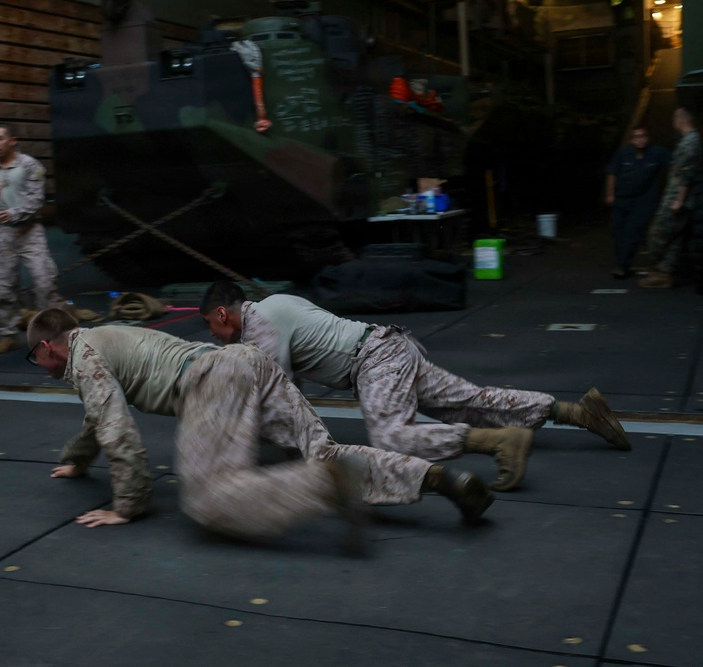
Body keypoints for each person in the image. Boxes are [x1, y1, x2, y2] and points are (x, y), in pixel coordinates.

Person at [26, 308, 494, 547]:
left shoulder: (84, 360)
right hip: (249, 364)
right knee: (323, 452)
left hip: (210, 381)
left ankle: (328, 485)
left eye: (35, 357)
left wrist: (126, 506)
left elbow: (117, 430)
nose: (39, 365)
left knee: (206, 500)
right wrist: (75, 459)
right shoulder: (105, 338)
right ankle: (432, 475)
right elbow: (96, 418)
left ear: (48, 346)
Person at [199, 283, 631, 492]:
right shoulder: (278, 301)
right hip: (390, 346)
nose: (216, 337)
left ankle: (501, 443)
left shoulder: (259, 329)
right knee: (470, 400)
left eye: (211, 328)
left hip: (374, 363)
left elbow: (281, 398)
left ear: (223, 314)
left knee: (391, 437)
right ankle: (580, 412)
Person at [0, 122, 62, 354]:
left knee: (44, 281)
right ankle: (8, 334)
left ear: (12, 140)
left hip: (31, 231)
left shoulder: (30, 165)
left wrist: (13, 212)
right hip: (3, 234)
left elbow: (36, 199)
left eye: (0, 138)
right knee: (4, 287)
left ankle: (53, 336)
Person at [639, 108, 702, 289]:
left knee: (658, 233)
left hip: (677, 199)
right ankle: (664, 274)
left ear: (681, 119)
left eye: (675, 117)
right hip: (678, 198)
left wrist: (679, 200)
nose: (673, 121)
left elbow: (686, 174)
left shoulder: (691, 141)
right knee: (675, 238)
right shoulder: (688, 140)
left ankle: (661, 270)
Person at [605, 126, 670, 279]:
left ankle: (621, 266)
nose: (640, 139)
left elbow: (677, 162)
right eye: (636, 137)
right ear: (631, 140)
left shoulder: (657, 153)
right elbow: (612, 173)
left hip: (643, 200)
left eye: (643, 136)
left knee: (632, 232)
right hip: (622, 198)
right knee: (618, 231)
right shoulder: (623, 153)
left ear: (648, 138)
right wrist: (610, 194)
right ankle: (623, 263)